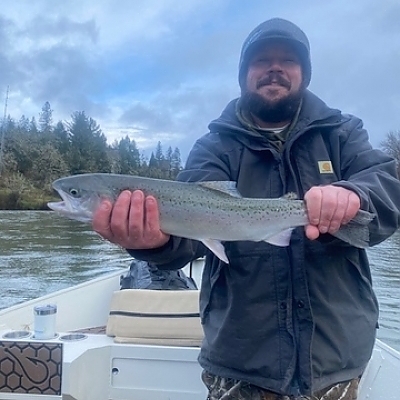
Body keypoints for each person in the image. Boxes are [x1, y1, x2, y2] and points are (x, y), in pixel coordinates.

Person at [92, 18, 400, 400]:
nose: (274, 68)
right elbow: (188, 245)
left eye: (287, 59)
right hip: (240, 364)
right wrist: (152, 243)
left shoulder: (342, 133)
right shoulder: (213, 147)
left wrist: (356, 196)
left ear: (304, 73)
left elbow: (388, 187)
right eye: (261, 60)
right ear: (243, 74)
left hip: (335, 363)